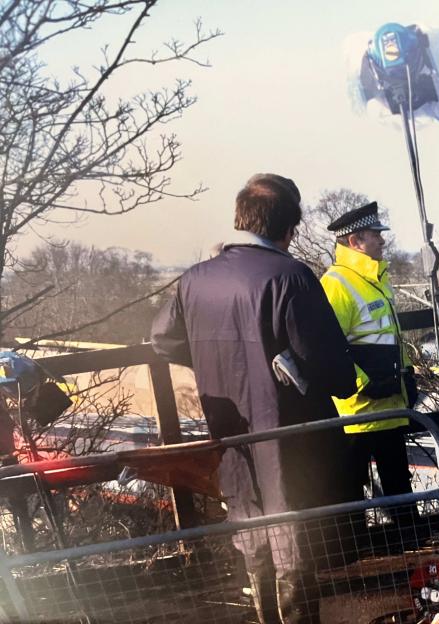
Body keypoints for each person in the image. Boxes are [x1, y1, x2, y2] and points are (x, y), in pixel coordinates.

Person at [151, 173, 357, 624]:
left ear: (241, 217)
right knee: (293, 537)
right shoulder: (290, 277)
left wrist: (214, 360)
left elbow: (163, 340)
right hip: (289, 433)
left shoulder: (196, 279)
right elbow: (330, 365)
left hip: (230, 432)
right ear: (289, 228)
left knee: (249, 526)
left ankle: (265, 614)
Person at [320, 202, 418, 536]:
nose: (382, 240)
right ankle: (353, 552)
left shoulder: (374, 278)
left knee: (399, 485)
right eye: (376, 234)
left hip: (388, 405)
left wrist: (407, 376)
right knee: (351, 490)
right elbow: (328, 347)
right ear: (355, 241)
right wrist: (363, 384)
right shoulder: (337, 283)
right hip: (358, 413)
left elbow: (389, 337)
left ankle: (411, 545)